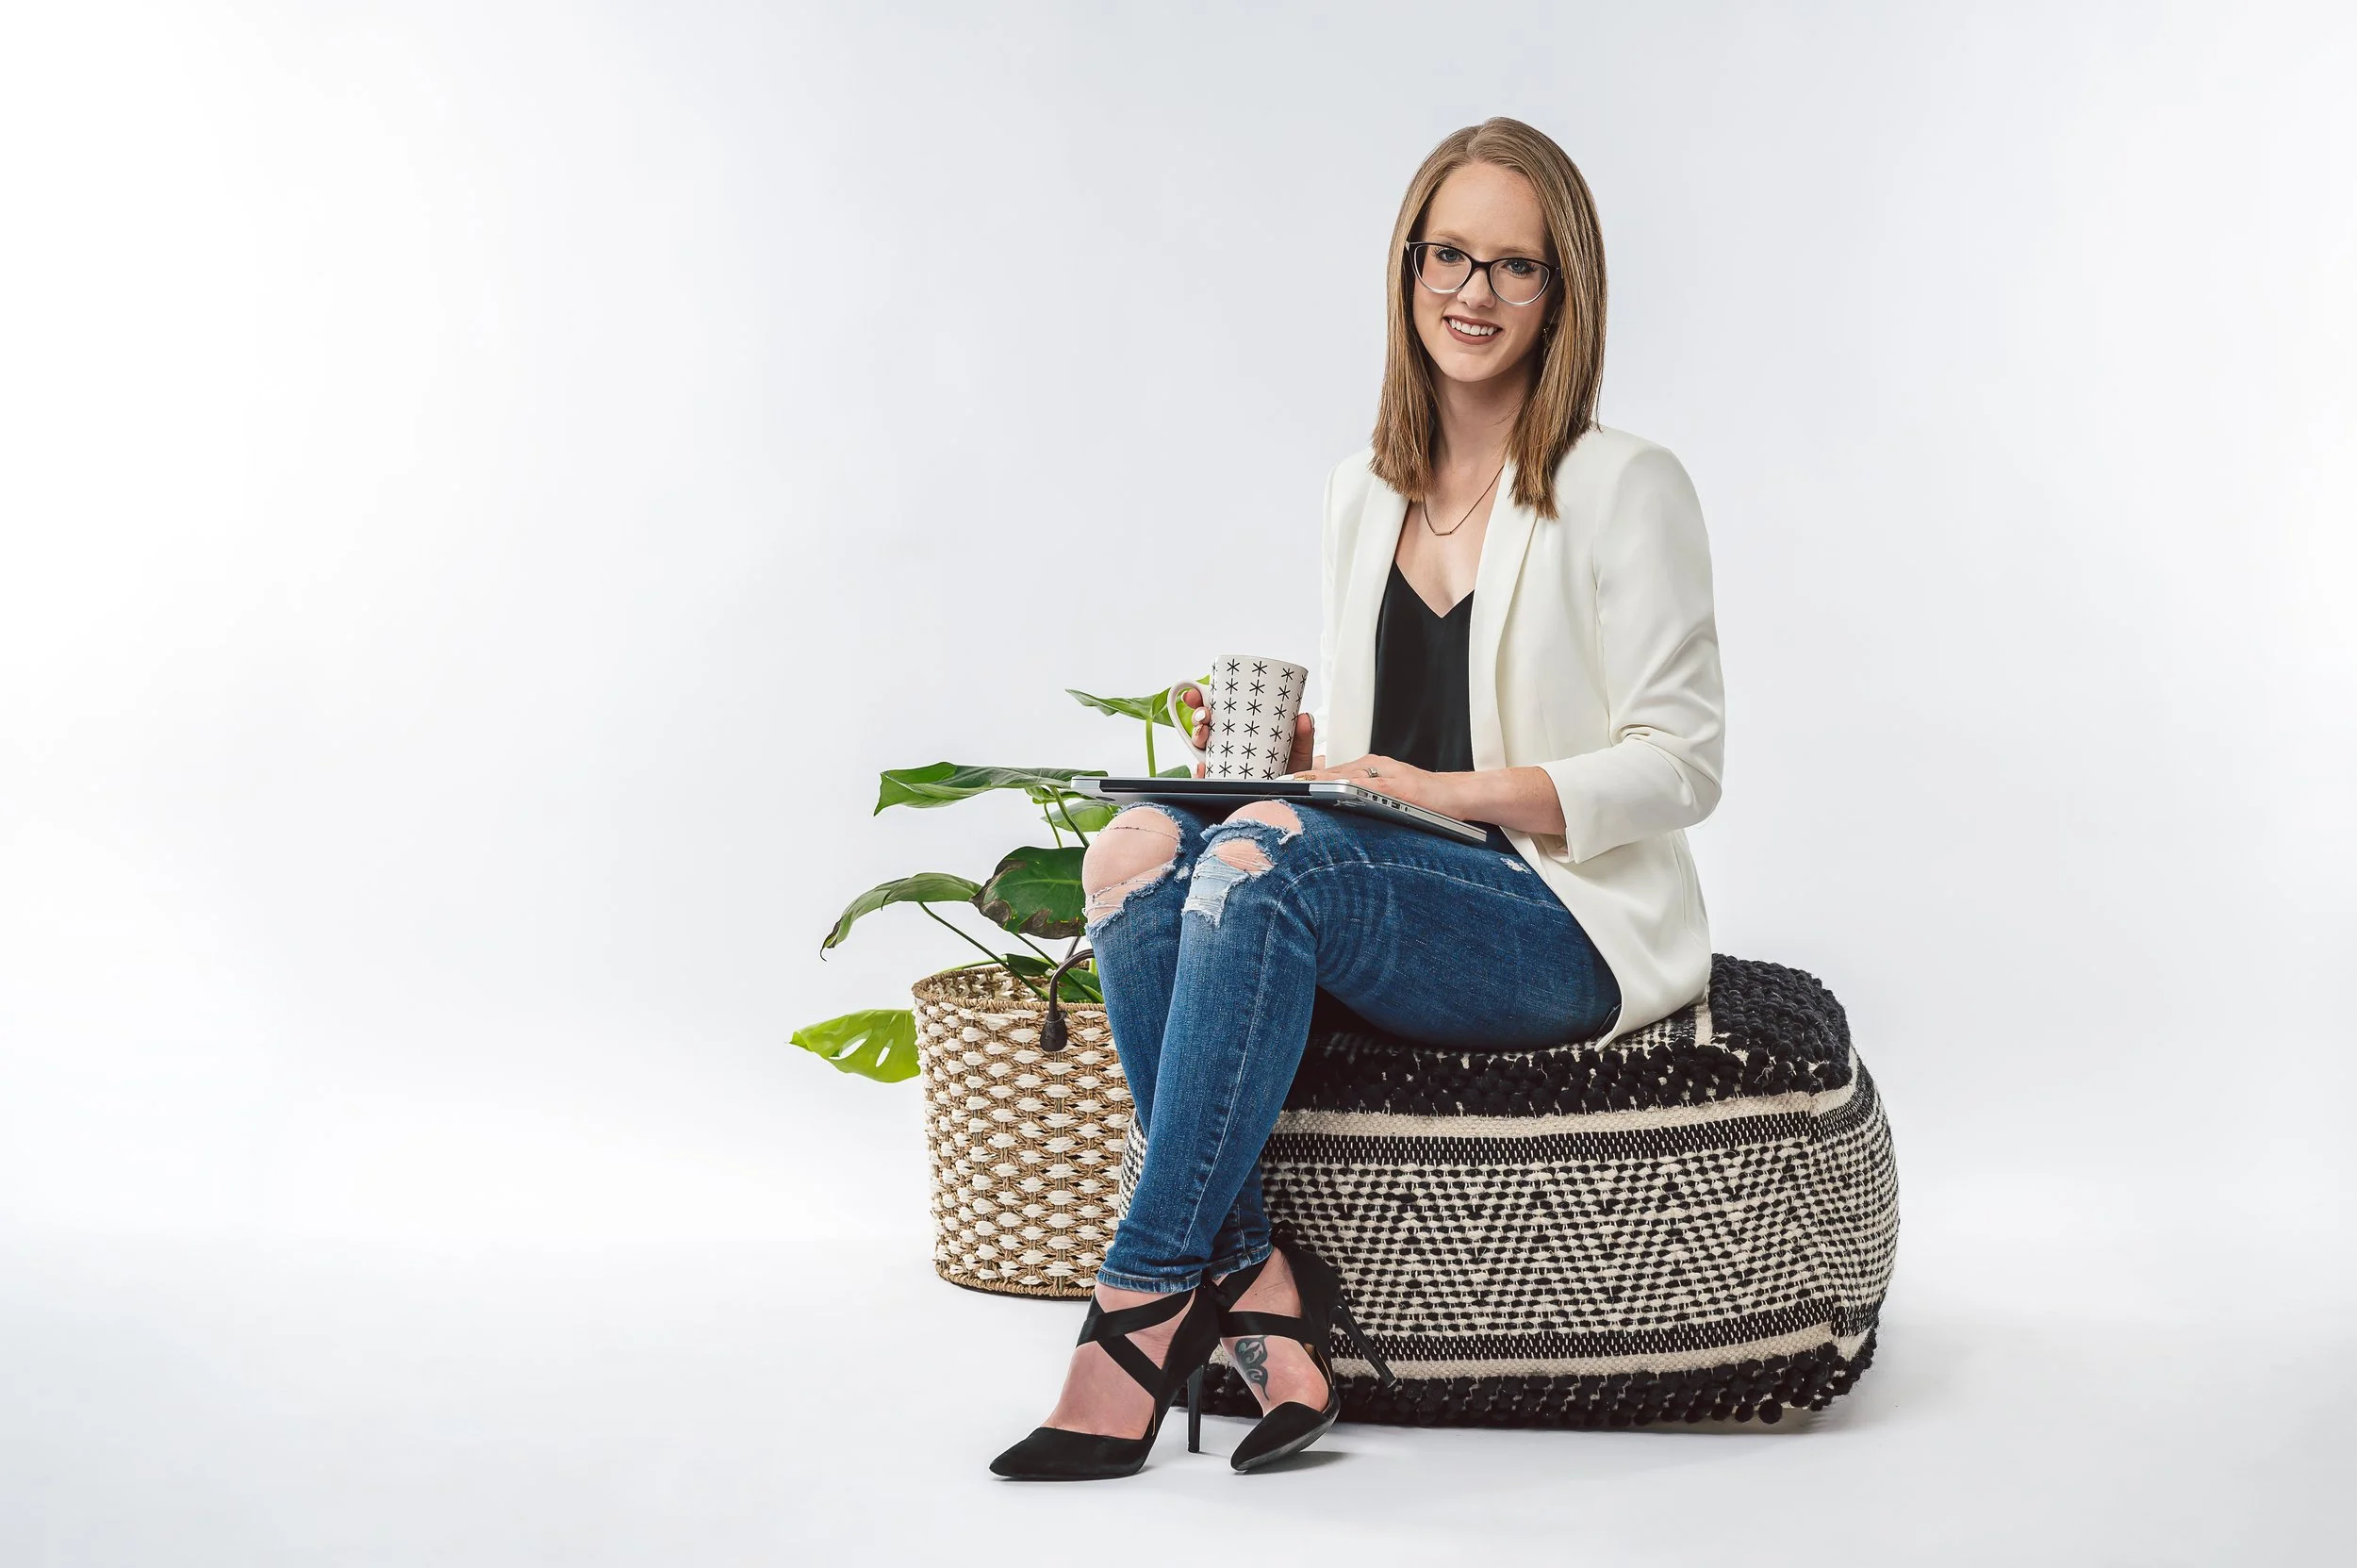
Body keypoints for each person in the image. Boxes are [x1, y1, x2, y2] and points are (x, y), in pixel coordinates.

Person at [990, 116, 1726, 1480]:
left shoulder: (1628, 486)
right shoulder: (1360, 492)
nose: (1475, 292)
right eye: (1450, 254)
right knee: (1139, 850)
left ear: (1564, 293)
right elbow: (1368, 757)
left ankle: (1139, 1302)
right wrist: (1303, 751)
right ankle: (1261, 1286)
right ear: (1406, 268)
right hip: (1399, 866)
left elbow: (1683, 760)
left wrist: (1439, 785)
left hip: (1561, 913)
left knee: (1272, 859)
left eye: (1516, 266)